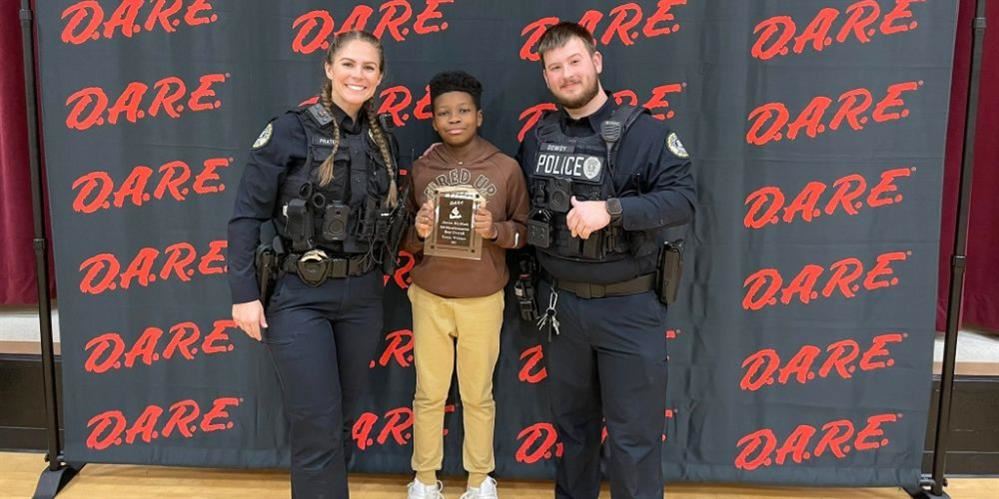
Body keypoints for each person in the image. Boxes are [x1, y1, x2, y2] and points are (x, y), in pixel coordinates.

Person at [516, 22, 696, 499]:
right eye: (555, 67)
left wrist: (613, 210)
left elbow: (683, 201)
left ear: (596, 62)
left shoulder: (645, 132)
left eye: (575, 61)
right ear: (546, 77)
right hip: (561, 307)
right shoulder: (538, 139)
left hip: (628, 308)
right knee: (573, 434)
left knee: (633, 441)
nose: (567, 74)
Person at [227, 30, 404, 499]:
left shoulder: (384, 139)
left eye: (368, 67)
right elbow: (246, 215)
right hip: (300, 295)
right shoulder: (290, 130)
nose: (357, 75)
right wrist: (244, 294)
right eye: (348, 64)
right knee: (317, 423)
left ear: (380, 77)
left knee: (340, 419)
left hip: (363, 296)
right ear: (328, 68)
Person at [403, 71, 529, 499]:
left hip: (482, 299)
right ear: (433, 120)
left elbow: (525, 233)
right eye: (444, 113)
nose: (454, 119)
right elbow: (402, 237)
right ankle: (424, 478)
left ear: (479, 115)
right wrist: (418, 231)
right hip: (430, 296)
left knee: (478, 394)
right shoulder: (423, 167)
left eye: (462, 111)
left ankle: (479, 480)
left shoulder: (505, 168)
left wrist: (495, 230)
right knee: (428, 393)